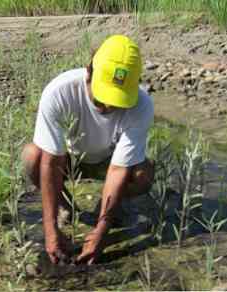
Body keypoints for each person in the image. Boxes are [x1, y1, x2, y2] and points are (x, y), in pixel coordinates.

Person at [21, 35, 155, 265]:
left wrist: (103, 228)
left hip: (109, 161)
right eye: (103, 96)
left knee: (144, 174)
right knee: (32, 156)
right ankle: (65, 205)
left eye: (118, 100)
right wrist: (50, 230)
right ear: (89, 72)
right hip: (69, 159)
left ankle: (113, 206)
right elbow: (51, 162)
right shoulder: (59, 92)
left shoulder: (142, 105)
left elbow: (118, 169)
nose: (109, 106)